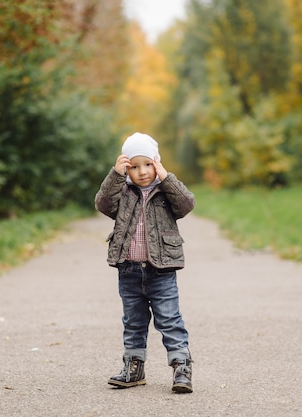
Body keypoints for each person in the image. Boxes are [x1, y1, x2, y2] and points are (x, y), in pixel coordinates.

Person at [95, 132, 195, 394]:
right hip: (128, 270)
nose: (142, 172)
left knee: (169, 319)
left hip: (161, 271)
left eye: (148, 164)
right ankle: (133, 367)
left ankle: (181, 367)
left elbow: (186, 204)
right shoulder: (123, 191)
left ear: (156, 163)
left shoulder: (165, 191)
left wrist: (166, 177)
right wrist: (115, 176)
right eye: (135, 166)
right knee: (133, 321)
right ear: (127, 167)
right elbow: (103, 204)